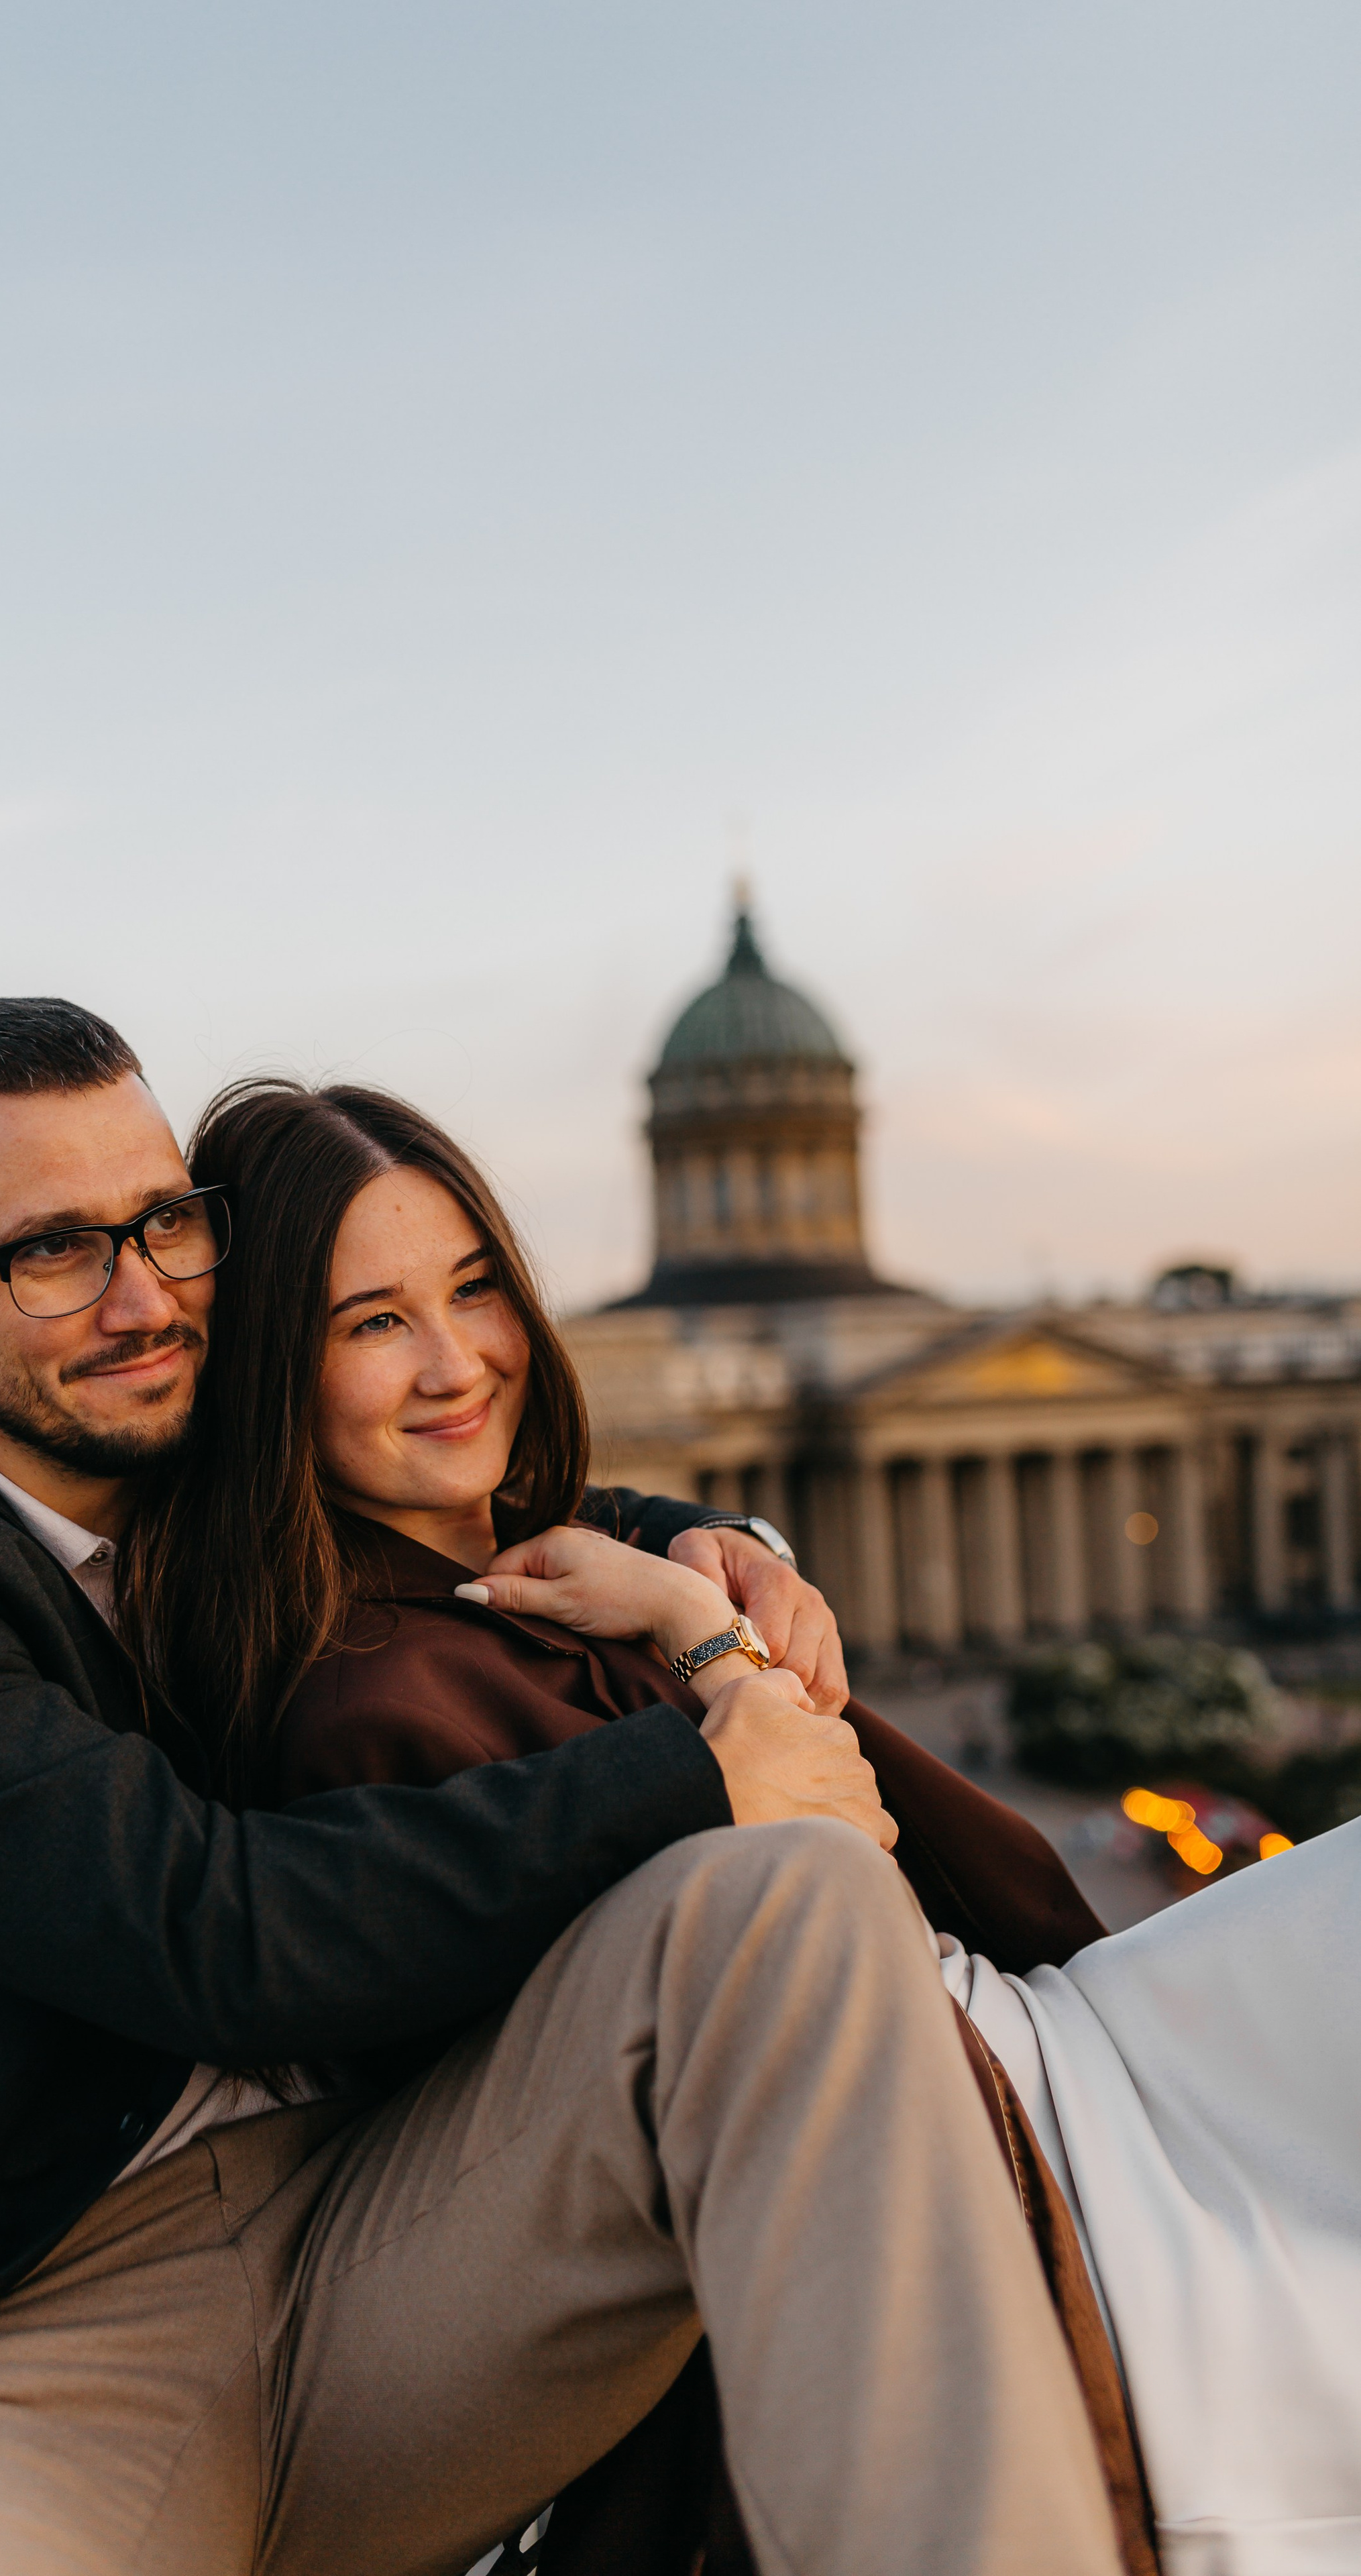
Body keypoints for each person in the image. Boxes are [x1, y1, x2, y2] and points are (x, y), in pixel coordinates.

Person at [0, 999, 1125, 2576]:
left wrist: (712, 1556)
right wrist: (697, 1758)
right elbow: (207, 1934)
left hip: (398, 2228)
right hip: (24, 2340)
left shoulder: (172, 1427)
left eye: (164, 1224)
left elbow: (490, 1478)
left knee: (786, 1894)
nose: (140, 1296)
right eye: (50, 1251)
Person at [138, 1072, 1361, 2576]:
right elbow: (825, 1877)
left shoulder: (543, 1547)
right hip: (968, 2130)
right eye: (372, 1321)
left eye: (473, 1288)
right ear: (273, 1366)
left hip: (1030, 2047)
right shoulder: (371, 1699)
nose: (458, 1362)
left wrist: (681, 1560)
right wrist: (695, 1625)